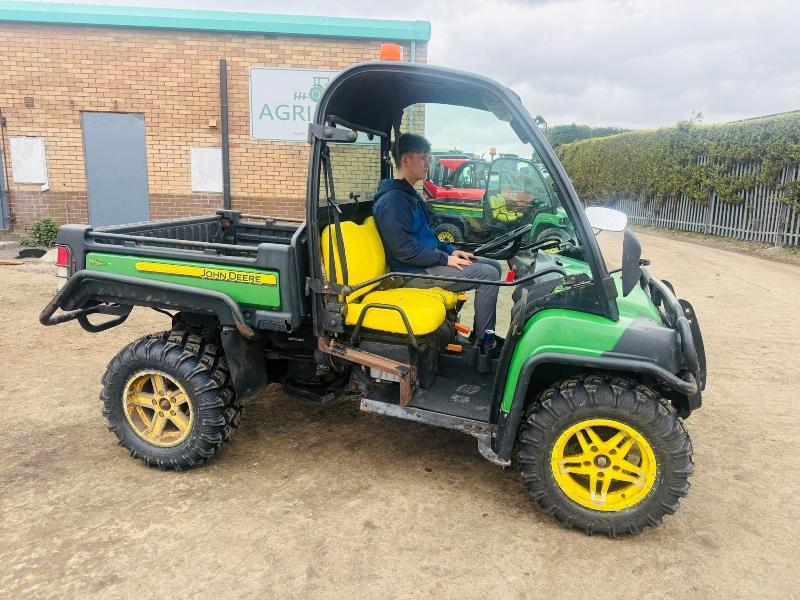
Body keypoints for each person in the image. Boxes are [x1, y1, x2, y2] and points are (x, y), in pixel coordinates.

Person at [372, 133, 502, 344]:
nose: (428, 163)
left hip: (425, 264)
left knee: (494, 265)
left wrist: (451, 251)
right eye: (423, 158)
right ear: (406, 160)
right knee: (487, 275)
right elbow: (405, 250)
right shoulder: (393, 201)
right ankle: (482, 347)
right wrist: (444, 258)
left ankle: (481, 335)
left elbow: (428, 237)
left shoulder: (409, 195)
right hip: (410, 273)